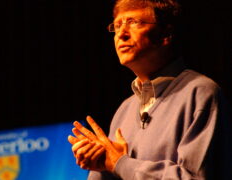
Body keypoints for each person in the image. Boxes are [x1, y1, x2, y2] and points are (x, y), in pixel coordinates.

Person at [68, 0, 232, 179]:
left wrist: (120, 163)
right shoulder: (124, 110)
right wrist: (100, 164)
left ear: (166, 34)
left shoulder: (200, 93)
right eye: (117, 25)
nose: (121, 34)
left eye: (134, 22)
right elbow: (115, 167)